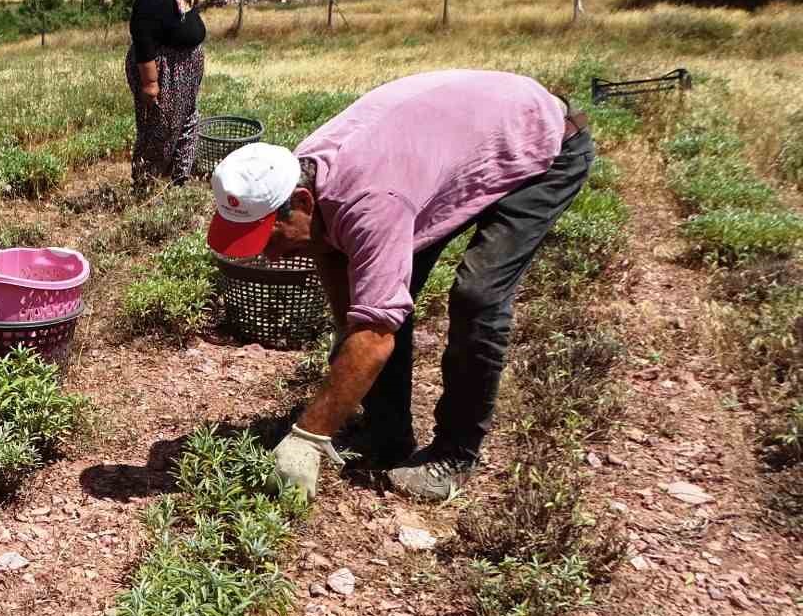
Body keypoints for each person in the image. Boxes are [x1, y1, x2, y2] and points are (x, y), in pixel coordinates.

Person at [206, 70, 593, 502]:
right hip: (463, 145)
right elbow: (339, 268)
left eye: (271, 240)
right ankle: (387, 436)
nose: (270, 256)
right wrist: (347, 343)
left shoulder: (371, 203)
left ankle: (454, 455)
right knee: (376, 297)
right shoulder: (303, 173)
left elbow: (374, 334)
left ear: (301, 204)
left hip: (542, 143)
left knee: (477, 296)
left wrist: (308, 436)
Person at [126, 0, 213, 190]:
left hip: (183, 78)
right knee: (160, 130)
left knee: (187, 124)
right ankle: (147, 185)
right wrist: (151, 83)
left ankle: (177, 182)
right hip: (163, 76)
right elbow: (143, 39)